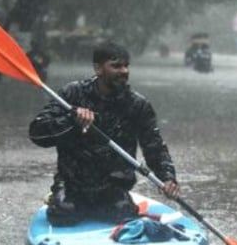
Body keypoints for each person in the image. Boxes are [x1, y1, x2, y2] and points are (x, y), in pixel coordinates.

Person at [29, 40, 180, 225]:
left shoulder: (138, 105)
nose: (124, 71)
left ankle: (120, 205)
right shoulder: (71, 94)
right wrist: (72, 120)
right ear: (98, 69)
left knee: (122, 215)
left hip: (113, 188)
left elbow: (154, 146)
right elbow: (37, 133)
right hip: (72, 185)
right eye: (116, 66)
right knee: (64, 213)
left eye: (126, 66)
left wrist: (167, 178)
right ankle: (56, 198)